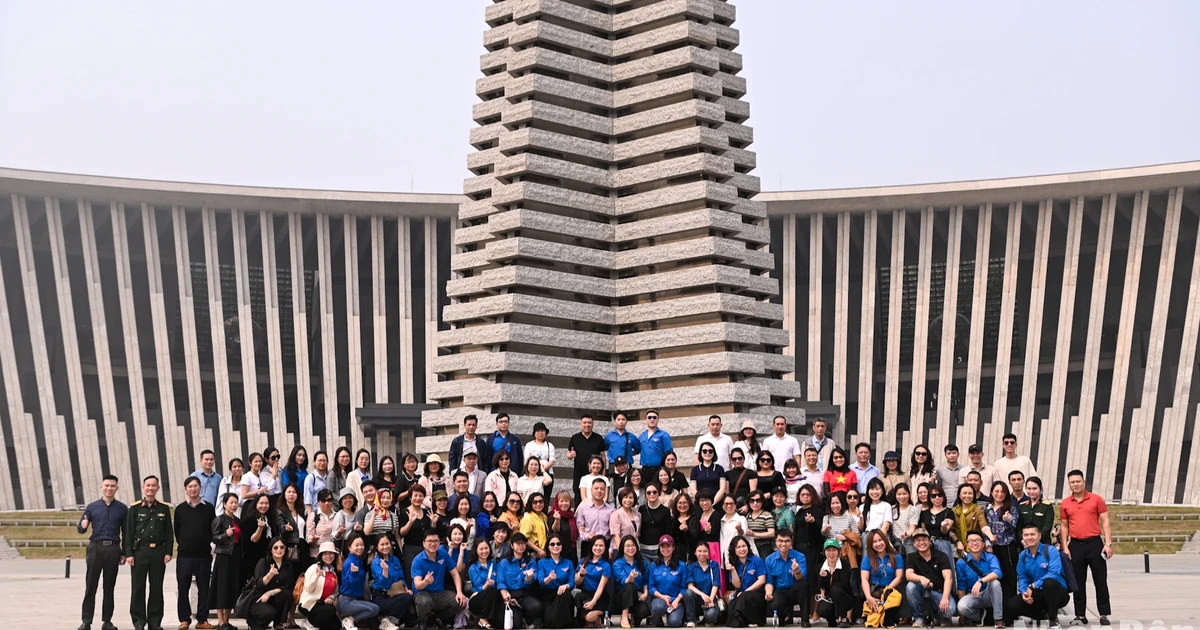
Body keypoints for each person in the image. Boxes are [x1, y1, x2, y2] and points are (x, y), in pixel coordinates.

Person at [1060, 469, 1113, 626]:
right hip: (1075, 545)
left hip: (1095, 544)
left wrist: (1108, 544)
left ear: (1084, 482)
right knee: (1078, 581)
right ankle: (1080, 614)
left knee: (1100, 579)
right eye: (1072, 482)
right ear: (1069, 484)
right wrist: (1065, 547)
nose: (1075, 484)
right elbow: (1064, 526)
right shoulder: (1065, 503)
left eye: (1078, 481)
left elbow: (1105, 522)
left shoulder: (1096, 499)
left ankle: (1103, 613)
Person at [78, 474, 128, 630]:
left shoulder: (122, 508)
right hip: (95, 548)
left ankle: (107, 621)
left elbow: (126, 533)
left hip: (113, 549)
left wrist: (124, 552)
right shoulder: (92, 507)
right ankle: (86, 621)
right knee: (90, 585)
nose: (109, 488)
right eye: (106, 485)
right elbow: (80, 529)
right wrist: (84, 526)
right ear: (101, 487)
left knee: (109, 586)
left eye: (112, 486)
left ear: (116, 488)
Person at [126, 475, 174, 630]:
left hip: (158, 552)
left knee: (156, 588)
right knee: (138, 587)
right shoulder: (134, 508)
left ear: (158, 488)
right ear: (143, 487)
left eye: (154, 486)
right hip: (140, 552)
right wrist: (129, 553)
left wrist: (168, 552)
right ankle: (139, 621)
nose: (151, 488)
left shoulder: (163, 508)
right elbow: (128, 533)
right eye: (148, 485)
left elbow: (168, 532)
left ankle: (155, 621)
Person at [1005, 524, 1068, 628]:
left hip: (1057, 592)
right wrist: (1024, 592)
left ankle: (1053, 619)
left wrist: (1033, 586)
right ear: (1023, 537)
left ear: (1039, 535)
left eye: (1032, 534)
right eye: (1026, 535)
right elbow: (1022, 577)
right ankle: (1040, 616)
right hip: (1037, 593)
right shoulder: (1023, 555)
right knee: (1012, 605)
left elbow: (1054, 573)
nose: (1029, 537)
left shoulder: (1050, 550)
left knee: (1049, 582)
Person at [174, 476, 216, 630]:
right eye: (190, 487)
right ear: (186, 489)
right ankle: (184, 619)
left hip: (204, 555)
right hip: (185, 555)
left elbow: (213, 530)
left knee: (204, 587)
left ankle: (202, 620)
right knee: (183, 587)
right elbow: (177, 532)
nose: (193, 489)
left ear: (200, 488)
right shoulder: (180, 509)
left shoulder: (209, 508)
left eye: (195, 486)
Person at [413, 529, 469, 629]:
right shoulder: (418, 560)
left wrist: (459, 592)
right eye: (429, 541)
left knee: (461, 603)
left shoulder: (443, 554)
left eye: (436, 541)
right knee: (424, 602)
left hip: (440, 593)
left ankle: (436, 618)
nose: (433, 544)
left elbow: (455, 574)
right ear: (424, 543)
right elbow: (417, 585)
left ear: (439, 543)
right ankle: (422, 621)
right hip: (422, 593)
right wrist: (425, 582)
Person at [904, 528, 956, 627]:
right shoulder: (911, 557)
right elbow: (908, 575)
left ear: (930, 542)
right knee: (910, 586)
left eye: (924, 540)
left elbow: (948, 578)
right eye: (918, 540)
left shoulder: (941, 556)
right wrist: (921, 578)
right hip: (923, 592)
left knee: (950, 610)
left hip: (940, 592)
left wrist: (945, 598)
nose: (921, 542)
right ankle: (919, 618)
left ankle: (941, 617)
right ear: (914, 544)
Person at [955, 530, 1004, 628]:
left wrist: (981, 581)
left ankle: (998, 619)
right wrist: (962, 614)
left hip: (989, 594)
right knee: (961, 606)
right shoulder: (961, 563)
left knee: (995, 583)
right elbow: (961, 587)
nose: (974, 543)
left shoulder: (991, 558)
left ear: (983, 544)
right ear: (967, 545)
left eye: (977, 540)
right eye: (971, 541)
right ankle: (980, 616)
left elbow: (998, 573)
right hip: (973, 595)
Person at [209, 493, 242, 630]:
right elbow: (214, 538)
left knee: (232, 588)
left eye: (235, 502)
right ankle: (221, 621)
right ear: (224, 504)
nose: (234, 505)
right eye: (231, 502)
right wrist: (225, 535)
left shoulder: (238, 520)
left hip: (235, 557)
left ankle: (227, 621)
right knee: (221, 588)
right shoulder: (219, 519)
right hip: (223, 557)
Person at [860, 530, 905, 628]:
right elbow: (864, 579)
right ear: (870, 545)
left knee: (892, 597)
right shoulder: (868, 558)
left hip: (891, 589)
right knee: (873, 621)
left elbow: (899, 577)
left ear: (885, 540)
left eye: (880, 540)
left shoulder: (896, 556)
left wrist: (886, 591)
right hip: (875, 590)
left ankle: (887, 618)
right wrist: (869, 597)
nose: (878, 544)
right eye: (874, 542)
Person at [247, 538, 295, 630]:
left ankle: (278, 622)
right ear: (271, 550)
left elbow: (287, 586)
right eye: (275, 547)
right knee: (269, 613)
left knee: (287, 595)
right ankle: (254, 624)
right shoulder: (263, 562)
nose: (279, 550)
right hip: (259, 598)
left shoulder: (288, 565)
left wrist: (270, 593)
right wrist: (269, 575)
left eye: (282, 547)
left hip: (273, 597)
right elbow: (259, 585)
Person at [985, 481, 1021, 599]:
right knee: (993, 575)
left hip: (1007, 546)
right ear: (991, 492)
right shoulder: (986, 508)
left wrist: (1009, 519)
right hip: (991, 547)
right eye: (997, 491)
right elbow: (982, 526)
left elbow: (1015, 527)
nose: (1000, 494)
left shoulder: (1011, 508)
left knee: (1009, 576)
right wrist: (987, 542)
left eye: (1003, 492)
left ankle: (1010, 606)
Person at [765, 530, 810, 626]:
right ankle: (784, 617)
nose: (783, 544)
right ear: (776, 542)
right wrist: (768, 593)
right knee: (775, 605)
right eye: (780, 541)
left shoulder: (800, 556)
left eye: (787, 541)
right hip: (780, 591)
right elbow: (769, 581)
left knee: (803, 585)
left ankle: (805, 620)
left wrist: (797, 570)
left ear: (791, 542)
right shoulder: (769, 559)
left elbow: (802, 578)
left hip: (794, 591)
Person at [498, 532, 543, 628]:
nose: (521, 546)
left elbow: (533, 578)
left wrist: (528, 578)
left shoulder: (530, 561)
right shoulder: (504, 562)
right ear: (512, 545)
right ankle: (520, 617)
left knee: (537, 607)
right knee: (516, 624)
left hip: (525, 594)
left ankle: (527, 617)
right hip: (511, 595)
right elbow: (501, 582)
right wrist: (506, 597)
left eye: (523, 543)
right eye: (518, 543)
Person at [338, 533, 381, 628]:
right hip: (347, 601)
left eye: (361, 545)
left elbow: (361, 577)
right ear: (349, 547)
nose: (360, 547)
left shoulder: (358, 560)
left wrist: (368, 563)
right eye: (356, 545)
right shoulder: (350, 562)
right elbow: (349, 585)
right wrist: (353, 574)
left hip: (355, 599)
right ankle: (349, 619)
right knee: (374, 609)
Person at [297, 542, 343, 630]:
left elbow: (335, 591)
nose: (328, 556)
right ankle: (310, 622)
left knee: (336, 625)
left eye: (331, 553)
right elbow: (309, 589)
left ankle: (316, 624)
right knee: (331, 609)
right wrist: (317, 576)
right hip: (309, 604)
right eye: (325, 554)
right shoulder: (314, 568)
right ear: (321, 556)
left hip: (323, 605)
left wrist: (331, 597)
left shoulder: (333, 571)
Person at [536, 533, 577, 628]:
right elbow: (541, 582)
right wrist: (549, 578)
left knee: (565, 594)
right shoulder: (542, 562)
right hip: (548, 596)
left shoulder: (568, 563)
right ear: (548, 546)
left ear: (562, 546)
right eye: (552, 544)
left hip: (563, 595)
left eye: (558, 544)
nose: (556, 546)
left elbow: (572, 582)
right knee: (549, 620)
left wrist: (565, 586)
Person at [726, 535, 768, 628]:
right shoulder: (734, 563)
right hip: (742, 596)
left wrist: (746, 591)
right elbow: (737, 585)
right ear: (734, 550)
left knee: (745, 597)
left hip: (757, 595)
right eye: (738, 547)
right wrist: (732, 570)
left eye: (744, 546)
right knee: (733, 604)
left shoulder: (756, 560)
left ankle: (755, 620)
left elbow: (762, 580)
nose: (742, 549)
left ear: (748, 547)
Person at [814, 539, 857, 628]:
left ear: (838, 551)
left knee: (835, 589)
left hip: (845, 597)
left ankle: (844, 618)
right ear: (824, 552)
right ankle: (832, 621)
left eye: (834, 550)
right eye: (828, 550)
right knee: (822, 609)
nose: (831, 553)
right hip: (830, 599)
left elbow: (844, 583)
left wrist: (827, 590)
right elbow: (821, 586)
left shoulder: (845, 564)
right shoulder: (820, 566)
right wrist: (823, 578)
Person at [647, 535, 687, 628]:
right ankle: (657, 620)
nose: (665, 549)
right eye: (662, 546)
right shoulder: (654, 565)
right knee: (658, 608)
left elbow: (684, 586)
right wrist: (663, 597)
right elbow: (651, 587)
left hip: (676, 600)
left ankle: (678, 615)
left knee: (674, 623)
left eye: (668, 546)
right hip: (659, 599)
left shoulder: (681, 565)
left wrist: (677, 600)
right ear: (659, 548)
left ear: (673, 547)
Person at [568, 414, 606, 504]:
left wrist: (604, 473)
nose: (587, 425)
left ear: (593, 424)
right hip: (579, 474)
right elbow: (568, 454)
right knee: (578, 497)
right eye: (584, 423)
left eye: (589, 423)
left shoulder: (599, 438)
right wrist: (570, 455)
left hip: (595, 474)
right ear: (581, 424)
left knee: (597, 495)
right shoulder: (575, 438)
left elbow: (603, 456)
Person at [580, 536, 618, 627]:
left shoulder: (606, 565)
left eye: (601, 546)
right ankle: (593, 621)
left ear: (605, 548)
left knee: (589, 617)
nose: (598, 548)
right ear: (591, 547)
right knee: (578, 598)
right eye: (595, 545)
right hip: (585, 594)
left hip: (599, 596)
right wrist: (581, 574)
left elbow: (601, 587)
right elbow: (577, 582)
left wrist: (593, 601)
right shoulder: (583, 561)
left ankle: (598, 616)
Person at [467, 538, 505, 629]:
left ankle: (485, 621)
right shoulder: (473, 568)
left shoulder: (494, 564)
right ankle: (483, 619)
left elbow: (499, 581)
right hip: (478, 599)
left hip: (493, 600)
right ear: (476, 551)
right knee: (491, 590)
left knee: (501, 622)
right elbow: (478, 588)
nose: (484, 551)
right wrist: (486, 586)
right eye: (481, 549)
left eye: (486, 548)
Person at [398, 486, 433, 580]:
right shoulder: (404, 512)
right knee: (411, 575)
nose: (418, 498)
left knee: (426, 574)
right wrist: (410, 522)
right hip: (410, 549)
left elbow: (431, 532)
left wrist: (434, 523)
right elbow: (402, 533)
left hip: (426, 549)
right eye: (415, 495)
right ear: (410, 497)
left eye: (420, 495)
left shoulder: (427, 512)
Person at [240, 494, 275, 586]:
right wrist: (260, 528)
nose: (264, 506)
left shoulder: (270, 518)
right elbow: (253, 539)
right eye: (261, 503)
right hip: (253, 557)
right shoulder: (249, 519)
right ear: (255, 504)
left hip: (267, 556)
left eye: (266, 503)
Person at [684, 541, 721, 627]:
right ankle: (691, 620)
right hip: (697, 599)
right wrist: (702, 595)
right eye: (699, 551)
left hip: (710, 597)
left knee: (711, 615)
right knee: (688, 593)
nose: (702, 554)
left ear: (708, 552)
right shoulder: (691, 567)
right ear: (695, 553)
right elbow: (690, 586)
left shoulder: (714, 565)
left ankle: (707, 619)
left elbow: (716, 584)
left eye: (705, 551)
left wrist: (711, 598)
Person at [918, 487, 957, 561]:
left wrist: (943, 526)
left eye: (940, 495)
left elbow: (945, 531)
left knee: (945, 568)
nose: (937, 498)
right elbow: (923, 531)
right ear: (929, 498)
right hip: (927, 544)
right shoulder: (924, 513)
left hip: (943, 543)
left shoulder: (949, 512)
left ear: (944, 496)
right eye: (933, 496)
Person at [275, 483, 309, 568]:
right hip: (290, 545)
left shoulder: (301, 510)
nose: (291, 494)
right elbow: (281, 531)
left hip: (303, 545)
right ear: (284, 494)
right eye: (289, 492)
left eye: (294, 492)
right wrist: (286, 529)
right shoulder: (280, 511)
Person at [639, 484, 672, 562]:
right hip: (643, 549)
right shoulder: (641, 509)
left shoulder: (665, 511)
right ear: (645, 495)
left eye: (654, 492)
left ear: (658, 493)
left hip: (659, 549)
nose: (652, 494)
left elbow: (667, 531)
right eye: (648, 493)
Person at [1019, 476, 1055, 545]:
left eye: (1034, 488)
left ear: (1041, 489)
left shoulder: (1047, 506)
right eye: (1029, 489)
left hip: (1043, 544)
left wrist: (1034, 540)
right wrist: (1023, 540)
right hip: (1025, 544)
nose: (1031, 491)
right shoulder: (1022, 506)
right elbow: (1019, 528)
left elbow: (1047, 527)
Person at [638, 410, 674, 480]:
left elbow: (669, 453)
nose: (652, 419)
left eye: (654, 417)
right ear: (646, 420)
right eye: (649, 417)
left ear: (658, 420)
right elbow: (637, 449)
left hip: (659, 469)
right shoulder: (642, 436)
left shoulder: (664, 435)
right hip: (645, 470)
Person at [719, 494, 753, 566]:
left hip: (739, 556)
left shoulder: (741, 519)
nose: (729, 506)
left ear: (735, 505)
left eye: (731, 503)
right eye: (726, 504)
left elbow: (743, 534)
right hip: (725, 557)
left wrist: (739, 529)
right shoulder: (721, 521)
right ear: (722, 505)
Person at [307, 488, 339, 562]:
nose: (326, 503)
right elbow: (308, 537)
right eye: (323, 501)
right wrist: (313, 539)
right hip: (317, 554)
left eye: (329, 500)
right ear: (318, 502)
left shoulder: (337, 515)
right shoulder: (313, 516)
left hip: (333, 554)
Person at [548, 491, 578, 563]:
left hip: (571, 553)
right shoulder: (553, 515)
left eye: (566, 501)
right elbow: (555, 530)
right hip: (558, 553)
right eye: (561, 501)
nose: (564, 503)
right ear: (557, 502)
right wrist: (557, 520)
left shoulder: (572, 517)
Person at [610, 487, 642, 554]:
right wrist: (623, 552)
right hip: (620, 550)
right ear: (621, 499)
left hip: (634, 549)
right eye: (625, 497)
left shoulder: (638, 514)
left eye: (630, 498)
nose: (628, 500)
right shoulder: (616, 514)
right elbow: (616, 536)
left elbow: (637, 534)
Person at [891, 483, 921, 554]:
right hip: (895, 541)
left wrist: (906, 534)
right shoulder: (891, 509)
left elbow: (912, 528)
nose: (902, 496)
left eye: (904, 494)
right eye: (899, 494)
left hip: (909, 541)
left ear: (909, 494)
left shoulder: (914, 509)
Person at [745, 491, 776, 558]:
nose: (755, 503)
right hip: (751, 547)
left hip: (764, 547)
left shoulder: (767, 515)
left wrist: (755, 534)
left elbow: (772, 533)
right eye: (752, 500)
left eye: (758, 500)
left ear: (762, 502)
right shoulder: (748, 515)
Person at [520, 493, 551, 557]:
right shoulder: (528, 518)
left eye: (541, 501)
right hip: (533, 552)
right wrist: (538, 550)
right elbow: (523, 538)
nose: (538, 504)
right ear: (530, 504)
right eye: (535, 502)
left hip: (543, 550)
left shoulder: (543, 516)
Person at [673, 493, 700, 564]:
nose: (682, 505)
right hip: (674, 555)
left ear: (689, 504)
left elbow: (695, 538)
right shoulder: (673, 519)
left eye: (685, 503)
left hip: (689, 556)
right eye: (680, 503)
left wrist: (687, 531)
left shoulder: (694, 519)